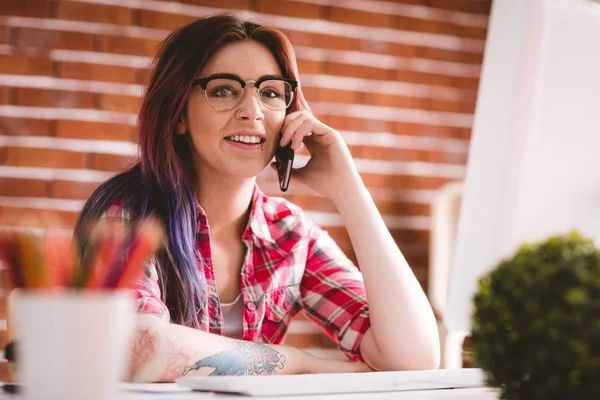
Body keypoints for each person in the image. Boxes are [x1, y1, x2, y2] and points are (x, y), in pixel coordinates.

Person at [75, 12, 440, 382]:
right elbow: (140, 347)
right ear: (178, 115)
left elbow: (416, 358)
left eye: (269, 92)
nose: (252, 112)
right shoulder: (127, 220)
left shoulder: (290, 235)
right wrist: (297, 362)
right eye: (223, 90)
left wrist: (350, 192)